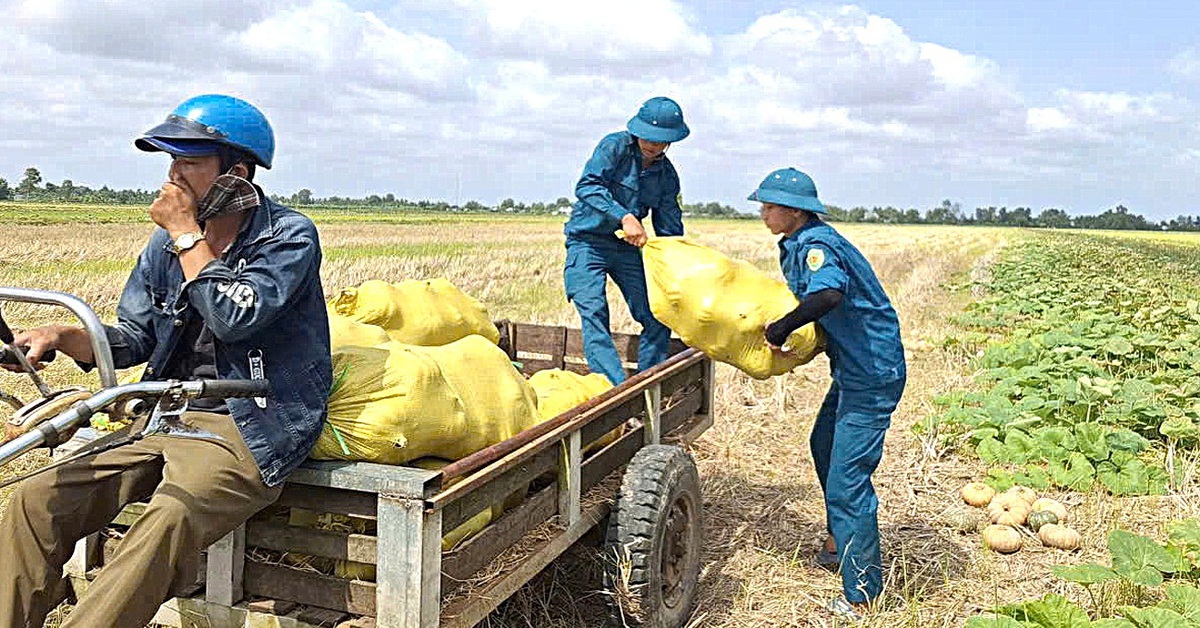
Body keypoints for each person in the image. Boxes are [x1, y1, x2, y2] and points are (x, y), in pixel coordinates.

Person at [0, 94, 332, 628]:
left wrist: (185, 235)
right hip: (164, 408)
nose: (172, 178)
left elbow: (233, 319)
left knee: (169, 516)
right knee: (36, 500)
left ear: (236, 174)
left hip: (250, 422)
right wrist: (61, 335)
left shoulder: (288, 237)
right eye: (170, 161)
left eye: (189, 162)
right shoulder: (163, 249)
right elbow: (133, 338)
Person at [751, 167, 906, 620]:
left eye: (769, 205)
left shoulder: (817, 247)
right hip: (856, 369)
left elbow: (829, 296)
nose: (763, 212)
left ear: (794, 211)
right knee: (823, 444)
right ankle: (841, 538)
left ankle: (861, 594)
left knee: (848, 479)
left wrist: (782, 329)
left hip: (873, 373)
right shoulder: (802, 241)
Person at [563, 96, 690, 385]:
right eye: (648, 137)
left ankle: (647, 385)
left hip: (626, 248)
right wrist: (625, 216)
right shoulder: (614, 147)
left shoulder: (667, 176)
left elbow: (669, 225)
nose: (653, 145)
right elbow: (587, 186)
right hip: (588, 242)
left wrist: (679, 265)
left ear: (671, 141)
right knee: (594, 311)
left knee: (657, 314)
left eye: (661, 141)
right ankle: (615, 391)